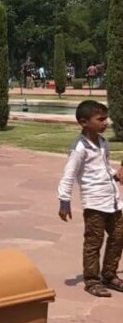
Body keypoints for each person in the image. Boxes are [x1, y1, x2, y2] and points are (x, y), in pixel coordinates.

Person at [58, 100, 123, 298]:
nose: (106, 122)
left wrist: (114, 174)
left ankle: (109, 274)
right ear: (84, 122)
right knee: (94, 243)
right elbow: (69, 174)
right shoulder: (79, 148)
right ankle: (92, 280)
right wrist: (64, 200)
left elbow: (102, 167)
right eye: (101, 119)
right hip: (95, 204)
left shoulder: (103, 142)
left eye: (106, 118)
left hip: (113, 200)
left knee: (118, 237)